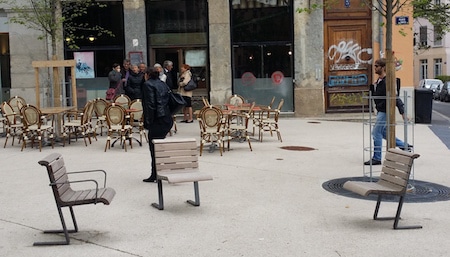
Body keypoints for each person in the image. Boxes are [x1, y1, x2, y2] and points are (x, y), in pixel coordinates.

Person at [364, 58, 412, 165]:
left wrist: (403, 112)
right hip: (381, 110)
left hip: (385, 111)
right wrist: (373, 86)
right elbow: (375, 95)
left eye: (377, 66)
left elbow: (395, 98)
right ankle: (405, 146)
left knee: (376, 132)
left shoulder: (387, 82)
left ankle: (377, 157)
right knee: (384, 133)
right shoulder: (380, 81)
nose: (375, 68)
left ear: (383, 67)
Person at [141, 67, 174, 183]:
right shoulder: (162, 84)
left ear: (147, 75)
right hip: (166, 119)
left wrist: (148, 123)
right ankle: (160, 170)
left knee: (154, 146)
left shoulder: (148, 85)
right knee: (160, 145)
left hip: (157, 120)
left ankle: (155, 173)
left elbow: (150, 105)